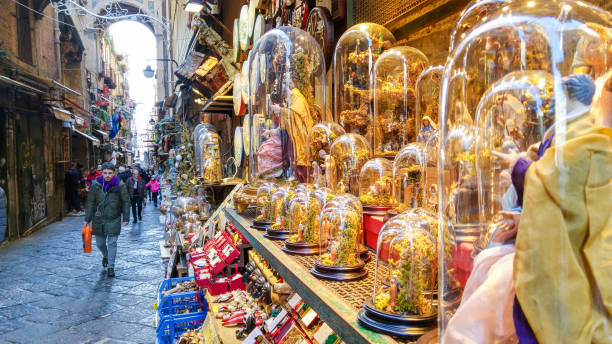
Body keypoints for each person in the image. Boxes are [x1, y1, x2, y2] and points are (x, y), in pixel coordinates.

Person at [84, 163, 129, 277]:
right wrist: (87, 218)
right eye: (105, 173)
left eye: (110, 173)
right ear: (102, 173)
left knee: (112, 243)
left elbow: (125, 201)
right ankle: (106, 255)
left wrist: (126, 217)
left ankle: (111, 267)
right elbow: (91, 202)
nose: (107, 175)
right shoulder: (95, 185)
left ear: (114, 173)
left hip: (114, 218)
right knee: (100, 244)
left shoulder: (120, 185)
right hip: (98, 218)